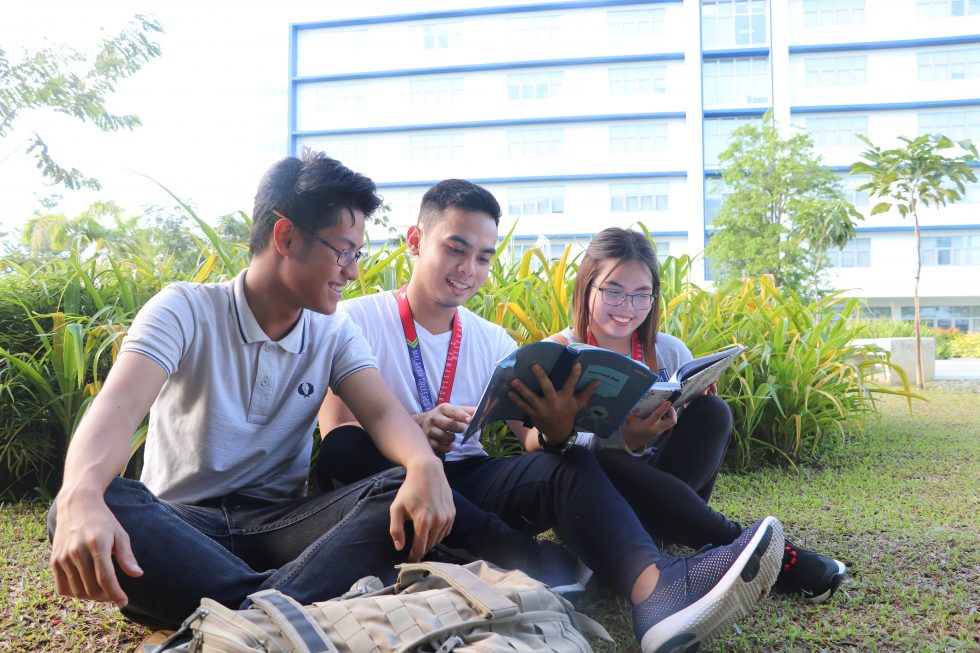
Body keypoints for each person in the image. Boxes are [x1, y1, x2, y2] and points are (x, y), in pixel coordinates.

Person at [317, 178, 786, 653]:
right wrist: (415, 433)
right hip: (395, 477)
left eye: (484, 257)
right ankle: (519, 554)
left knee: (570, 460)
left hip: (471, 476)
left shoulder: (494, 341)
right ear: (416, 241)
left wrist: (556, 429)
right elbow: (336, 432)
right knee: (346, 449)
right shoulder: (355, 320)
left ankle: (656, 593)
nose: (468, 269)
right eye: (455, 249)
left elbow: (531, 440)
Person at [47, 151, 456, 630]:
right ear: (286, 237)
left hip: (280, 527)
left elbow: (384, 414)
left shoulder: (333, 332)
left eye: (356, 255)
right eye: (344, 251)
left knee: (394, 489)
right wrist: (80, 493)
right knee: (96, 501)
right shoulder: (184, 310)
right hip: (182, 528)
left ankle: (243, 622)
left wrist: (423, 463)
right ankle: (292, 613)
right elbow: (117, 408)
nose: (353, 271)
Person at [528, 226, 847, 604]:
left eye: (642, 295)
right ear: (587, 286)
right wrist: (626, 439)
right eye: (613, 291)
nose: (628, 307)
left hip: (661, 491)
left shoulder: (668, 351)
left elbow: (688, 431)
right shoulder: (555, 355)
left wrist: (690, 401)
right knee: (595, 455)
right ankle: (748, 546)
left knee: (714, 411)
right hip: (591, 502)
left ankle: (648, 545)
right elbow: (542, 450)